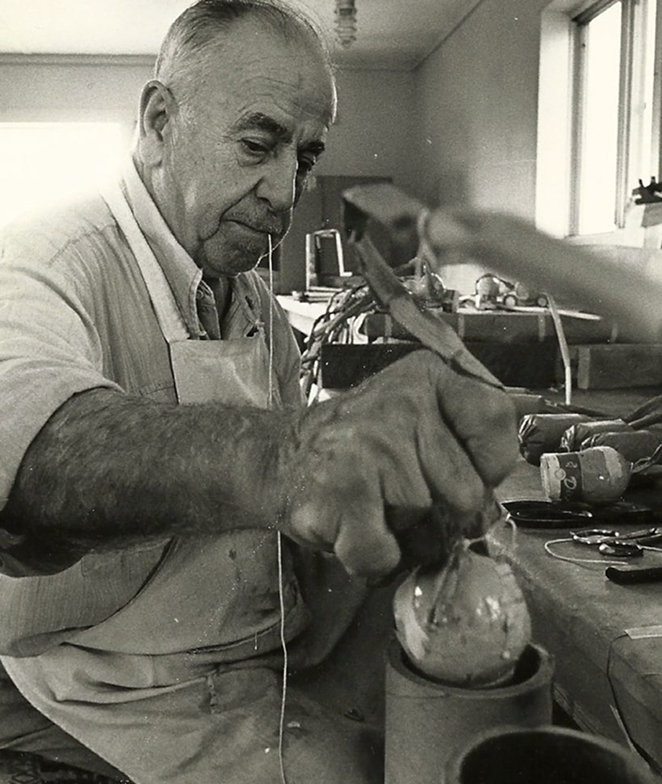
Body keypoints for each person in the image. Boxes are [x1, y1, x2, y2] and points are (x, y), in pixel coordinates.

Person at [0, 1, 518, 782]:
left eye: (305, 158)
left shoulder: (252, 304)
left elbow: (292, 514)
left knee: (462, 718)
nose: (283, 190)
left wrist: (393, 503)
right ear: (160, 122)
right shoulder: (50, 259)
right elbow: (28, 450)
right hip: (116, 674)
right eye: (257, 144)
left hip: (258, 635)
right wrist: (291, 457)